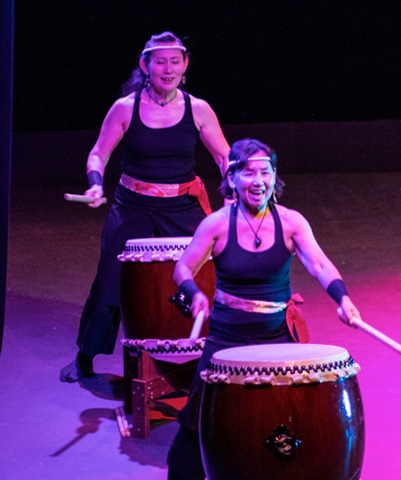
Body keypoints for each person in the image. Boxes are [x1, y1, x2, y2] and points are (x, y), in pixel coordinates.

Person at [166, 138, 361, 479]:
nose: (258, 181)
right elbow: (182, 268)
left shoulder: (291, 222)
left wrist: (342, 298)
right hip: (227, 337)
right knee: (198, 421)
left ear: (275, 177)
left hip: (277, 336)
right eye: (249, 173)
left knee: (287, 417)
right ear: (232, 178)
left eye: (266, 172)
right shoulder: (215, 225)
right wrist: (194, 292)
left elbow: (320, 265)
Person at [60, 32, 231, 382]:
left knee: (203, 274)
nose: (168, 69)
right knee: (110, 281)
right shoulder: (126, 107)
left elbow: (225, 156)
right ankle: (85, 357)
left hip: (182, 205)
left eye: (175, 61)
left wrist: (234, 193)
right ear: (145, 65)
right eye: (160, 61)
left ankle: (207, 353)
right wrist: (95, 182)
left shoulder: (198, 109)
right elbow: (99, 153)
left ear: (185, 66)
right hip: (133, 204)